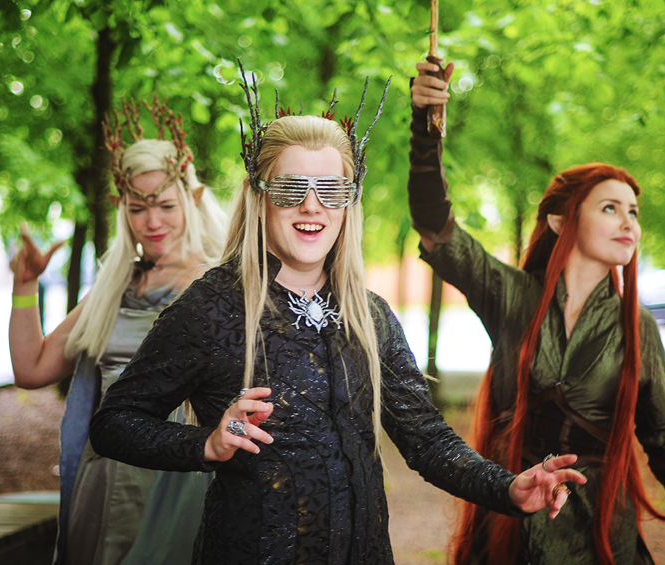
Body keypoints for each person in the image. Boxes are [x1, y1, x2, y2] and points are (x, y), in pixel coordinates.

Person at [88, 72, 585, 565]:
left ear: (350, 202)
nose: (313, 206)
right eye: (291, 189)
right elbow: (114, 423)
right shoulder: (211, 306)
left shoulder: (370, 316)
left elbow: (427, 440)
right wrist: (208, 444)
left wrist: (508, 488)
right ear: (260, 196)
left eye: (331, 188)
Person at [408, 60, 665, 565]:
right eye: (610, 208)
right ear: (561, 222)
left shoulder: (637, 328)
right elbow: (436, 224)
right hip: (511, 526)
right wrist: (426, 124)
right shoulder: (511, 295)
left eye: (633, 212)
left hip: (598, 534)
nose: (628, 223)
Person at [8, 97, 228, 565]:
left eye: (166, 205)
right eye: (137, 208)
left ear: (192, 200)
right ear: (120, 207)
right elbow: (32, 368)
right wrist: (25, 286)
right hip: (109, 477)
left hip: (182, 476)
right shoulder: (115, 289)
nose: (153, 221)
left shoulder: (219, 283)